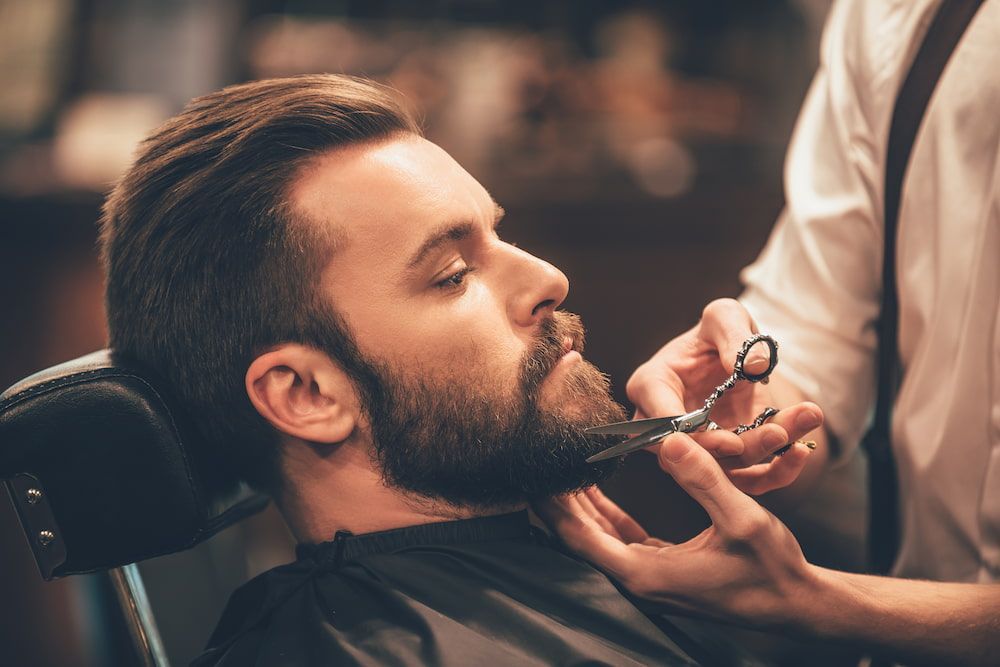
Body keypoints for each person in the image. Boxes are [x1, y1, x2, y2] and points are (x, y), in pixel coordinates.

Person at [99, 74, 822, 666]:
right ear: (308, 393)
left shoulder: (587, 561)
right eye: (451, 274)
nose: (548, 277)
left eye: (498, 233)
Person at [539, 0, 1000, 665]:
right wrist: (753, 414)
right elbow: (817, 337)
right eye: (454, 272)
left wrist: (828, 604)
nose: (548, 278)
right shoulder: (898, 19)